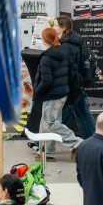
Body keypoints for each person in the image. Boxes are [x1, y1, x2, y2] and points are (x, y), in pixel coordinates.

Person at [33, 27, 81, 162]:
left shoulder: (46, 57)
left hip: (52, 95)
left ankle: (77, 143)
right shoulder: (62, 52)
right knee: (46, 123)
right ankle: (47, 152)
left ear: (44, 40)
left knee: (50, 123)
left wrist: (37, 91)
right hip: (61, 94)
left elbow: (46, 81)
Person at [55, 15, 95, 140]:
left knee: (58, 118)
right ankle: (95, 142)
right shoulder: (73, 42)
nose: (53, 28)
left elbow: (68, 68)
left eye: (55, 25)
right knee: (84, 116)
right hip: (76, 86)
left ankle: (42, 144)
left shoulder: (66, 45)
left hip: (71, 87)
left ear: (63, 28)